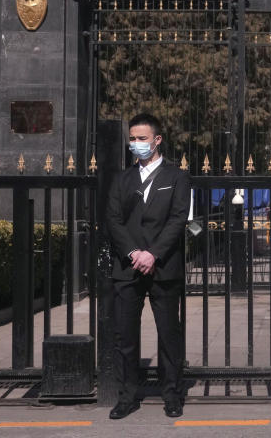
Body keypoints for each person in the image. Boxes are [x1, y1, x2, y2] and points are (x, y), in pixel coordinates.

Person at [107, 113, 190, 419]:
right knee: (125, 336)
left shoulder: (177, 178)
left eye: (142, 138)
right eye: (132, 139)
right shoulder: (122, 179)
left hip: (163, 266)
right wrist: (133, 252)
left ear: (157, 140)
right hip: (127, 267)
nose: (136, 144)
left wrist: (153, 253)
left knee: (168, 335)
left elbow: (178, 219)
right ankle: (128, 396)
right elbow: (113, 220)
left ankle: (172, 394)